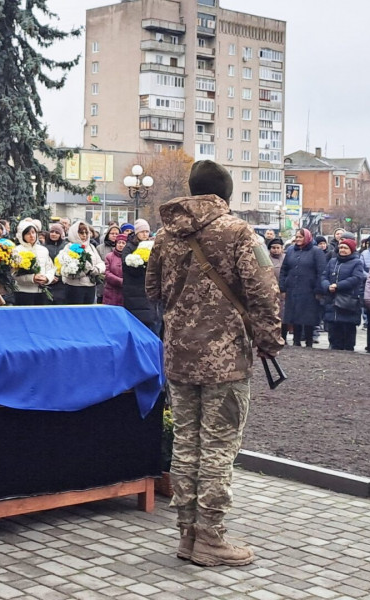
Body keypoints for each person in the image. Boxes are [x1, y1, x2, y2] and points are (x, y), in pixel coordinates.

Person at [145, 160, 283, 566]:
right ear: (224, 194)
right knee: (219, 447)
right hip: (225, 359)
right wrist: (269, 341)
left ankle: (187, 535)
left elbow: (152, 288)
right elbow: (263, 291)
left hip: (179, 355)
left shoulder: (166, 235)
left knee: (187, 443)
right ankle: (210, 538)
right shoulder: (238, 232)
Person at [279, 228, 327, 347]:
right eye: (297, 237)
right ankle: (296, 340)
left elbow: (321, 271)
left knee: (308, 316)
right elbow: (284, 270)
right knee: (294, 315)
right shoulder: (290, 250)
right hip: (292, 289)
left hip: (309, 290)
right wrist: (283, 287)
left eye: (301, 237)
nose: (298, 239)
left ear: (307, 237)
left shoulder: (316, 251)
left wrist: (318, 289)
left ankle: (309, 341)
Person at [321, 238, 366, 351]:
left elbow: (356, 278)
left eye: (345, 248)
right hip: (332, 300)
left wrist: (338, 286)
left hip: (348, 301)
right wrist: (327, 285)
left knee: (347, 328)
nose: (342, 250)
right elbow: (324, 276)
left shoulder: (357, 262)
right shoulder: (332, 261)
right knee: (333, 329)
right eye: (341, 247)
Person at [120, 219, 158, 333]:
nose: (145, 234)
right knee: (136, 322)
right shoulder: (129, 247)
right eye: (142, 231)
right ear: (136, 233)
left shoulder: (153, 246)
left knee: (151, 320)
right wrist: (141, 264)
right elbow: (126, 266)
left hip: (148, 288)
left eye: (147, 231)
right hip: (134, 289)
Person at [58, 221, 105, 305]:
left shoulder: (91, 247)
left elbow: (101, 263)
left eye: (86, 233)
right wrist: (85, 271)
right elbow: (66, 269)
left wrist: (96, 269)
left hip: (90, 286)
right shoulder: (69, 247)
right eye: (81, 233)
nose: (84, 235)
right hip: (74, 287)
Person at [11, 218, 54, 306]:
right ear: (22, 236)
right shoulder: (17, 251)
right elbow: (14, 274)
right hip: (23, 292)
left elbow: (50, 268)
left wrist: (47, 278)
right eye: (28, 233)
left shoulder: (43, 250)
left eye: (33, 232)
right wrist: (32, 278)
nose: (31, 236)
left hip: (41, 291)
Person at [43, 222, 67, 305]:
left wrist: (59, 277)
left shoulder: (65, 246)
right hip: (47, 282)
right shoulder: (44, 247)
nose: (54, 234)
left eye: (57, 232)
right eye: (52, 232)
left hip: (61, 283)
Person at [102, 230, 128, 306]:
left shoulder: (129, 257)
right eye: (119, 243)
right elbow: (107, 273)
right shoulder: (109, 256)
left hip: (124, 292)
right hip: (111, 292)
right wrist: (120, 281)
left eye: (123, 243)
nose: (121, 245)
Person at [268, 238, 286, 340]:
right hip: (270, 290)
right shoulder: (266, 259)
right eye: (273, 248)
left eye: (278, 248)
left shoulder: (286, 258)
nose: (276, 250)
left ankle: (283, 336)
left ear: (282, 249)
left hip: (283, 290)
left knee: (283, 315)